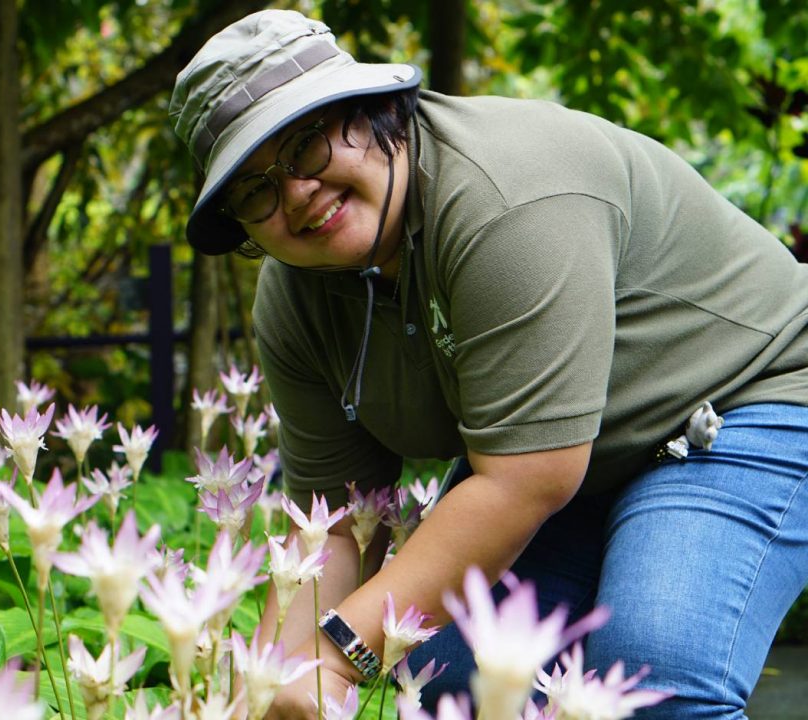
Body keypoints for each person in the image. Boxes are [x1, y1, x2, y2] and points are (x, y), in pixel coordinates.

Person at [169, 8, 808, 719]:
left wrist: (334, 658)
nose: (296, 192)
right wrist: (264, 686)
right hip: (579, 455)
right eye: (256, 187)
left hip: (751, 397)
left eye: (307, 145)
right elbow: (340, 522)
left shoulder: (506, 200)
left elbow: (524, 481)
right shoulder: (296, 300)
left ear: (375, 113)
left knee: (648, 677)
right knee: (446, 677)